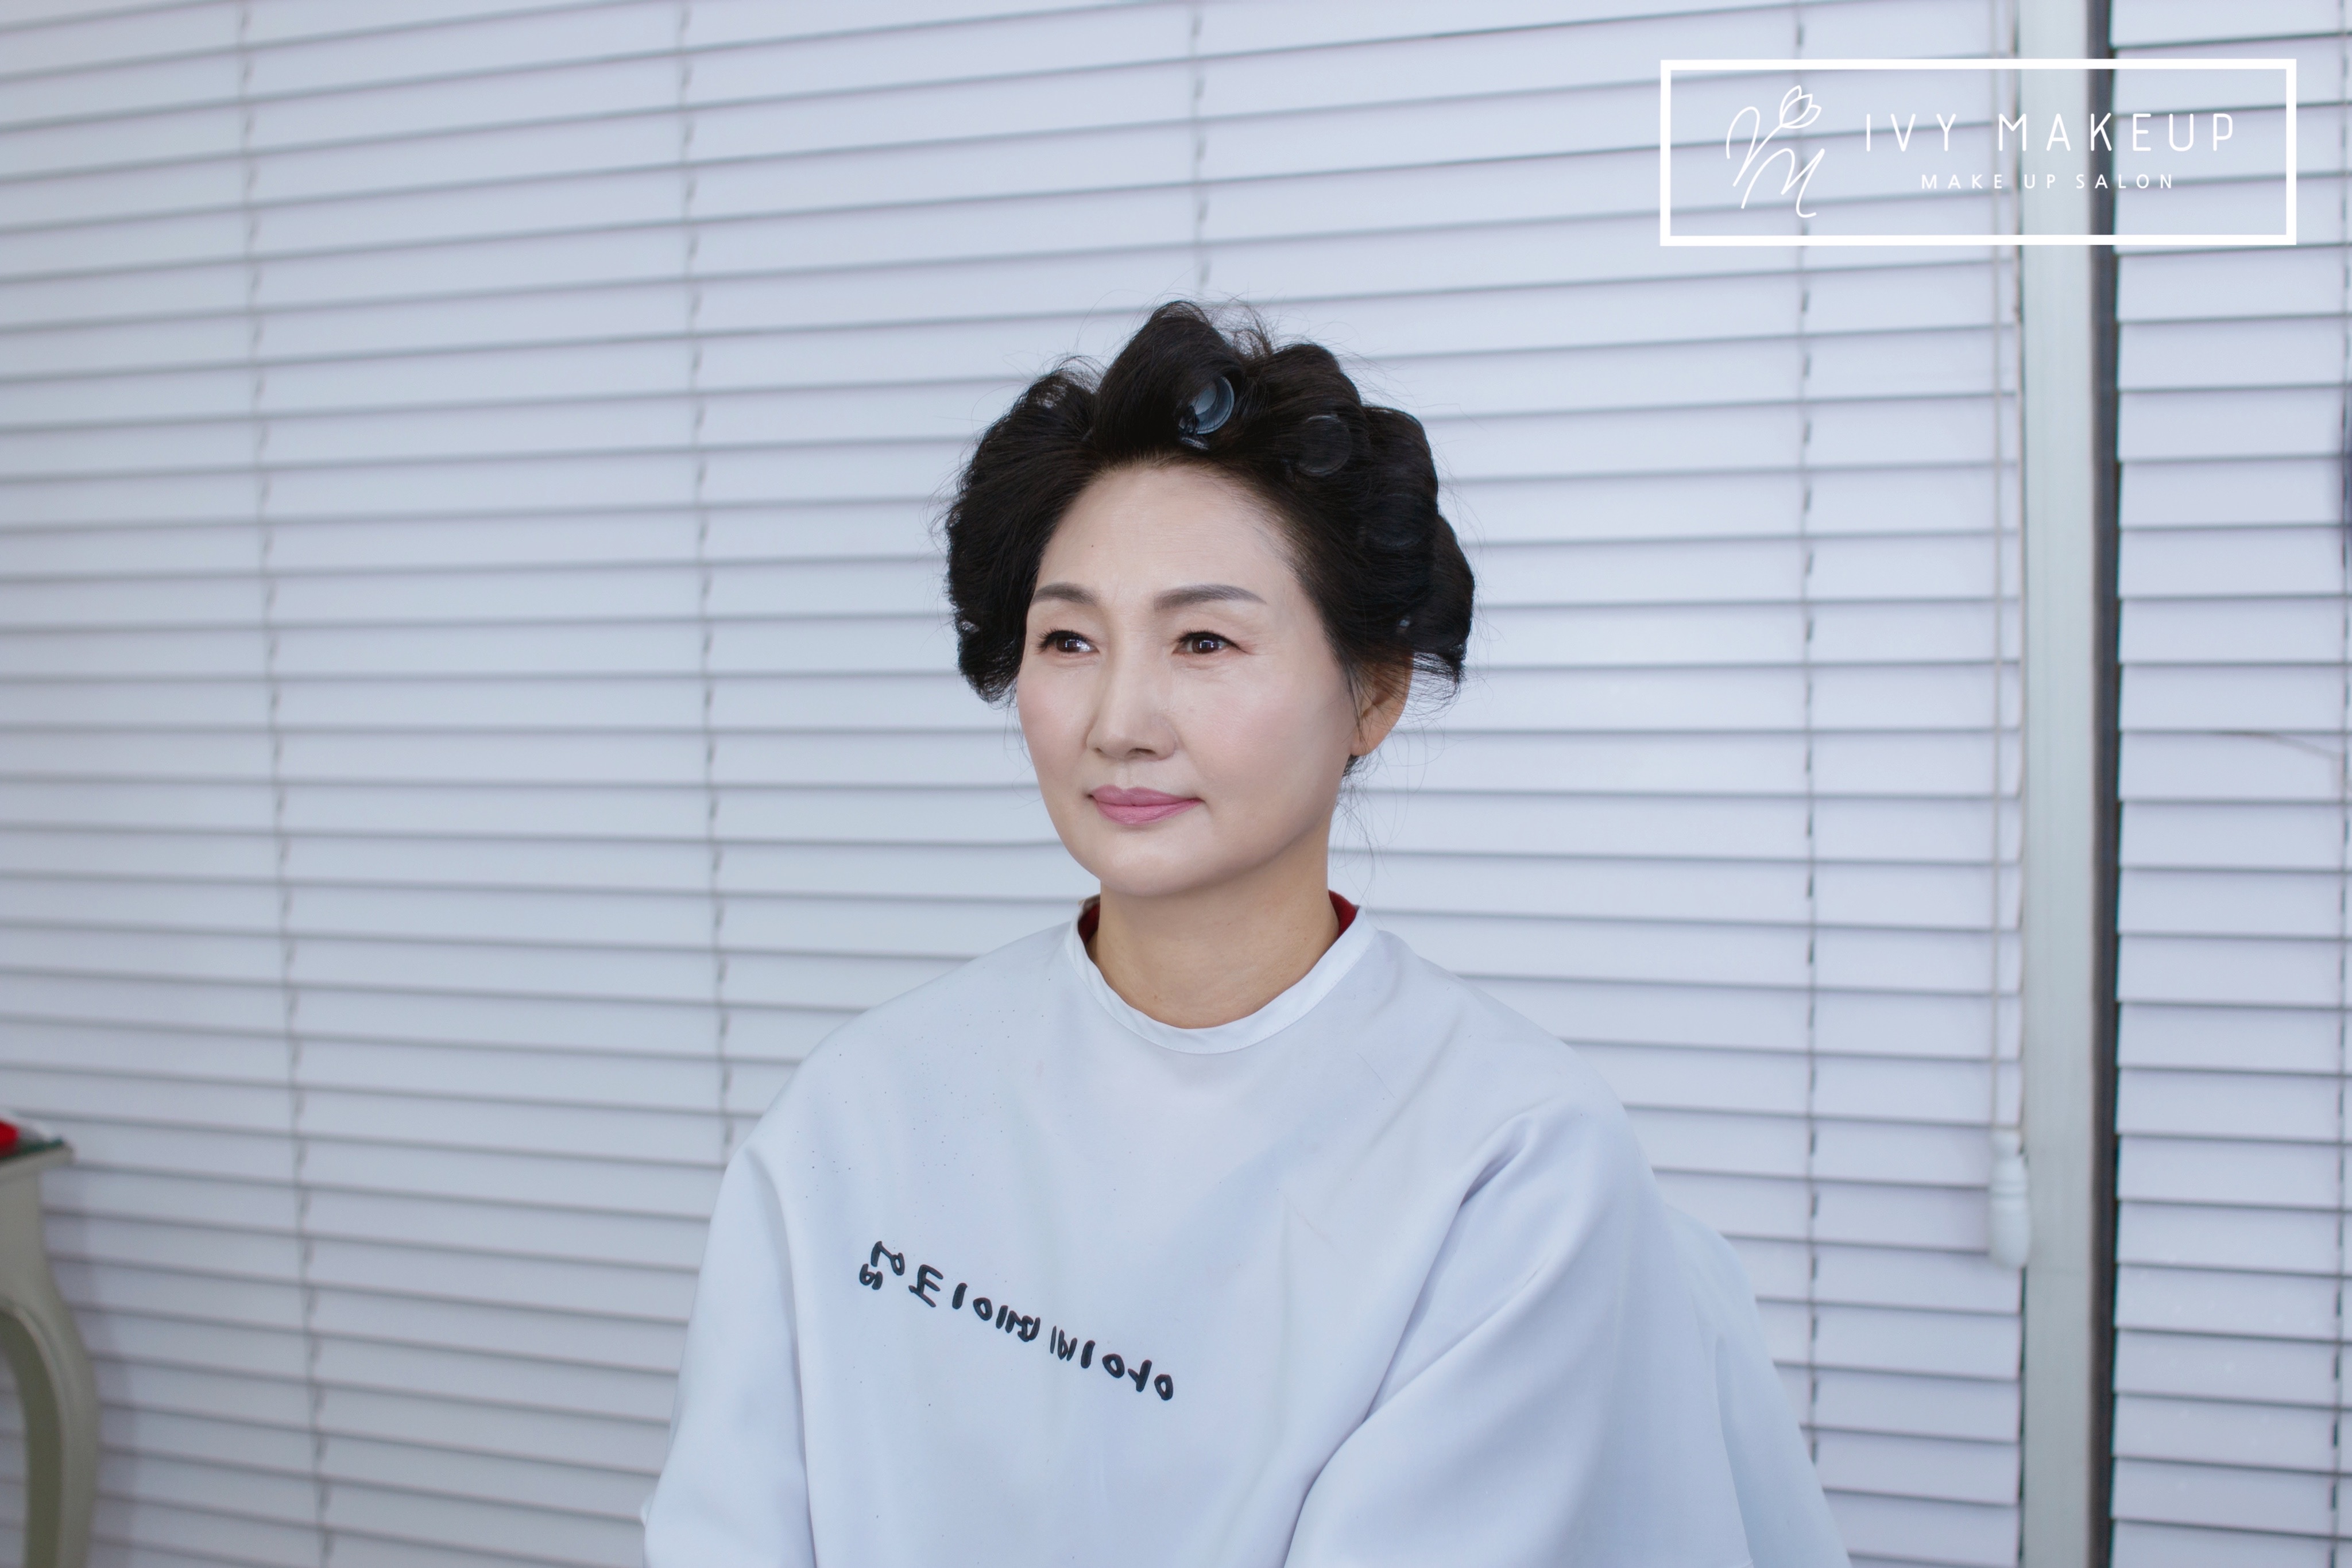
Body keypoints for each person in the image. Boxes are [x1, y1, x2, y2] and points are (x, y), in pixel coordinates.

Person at [641, 303, 1771, 1567]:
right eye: (1069, 639)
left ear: (1374, 689)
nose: (1120, 720)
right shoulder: (855, 1114)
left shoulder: (1508, 1161)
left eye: (1204, 640)